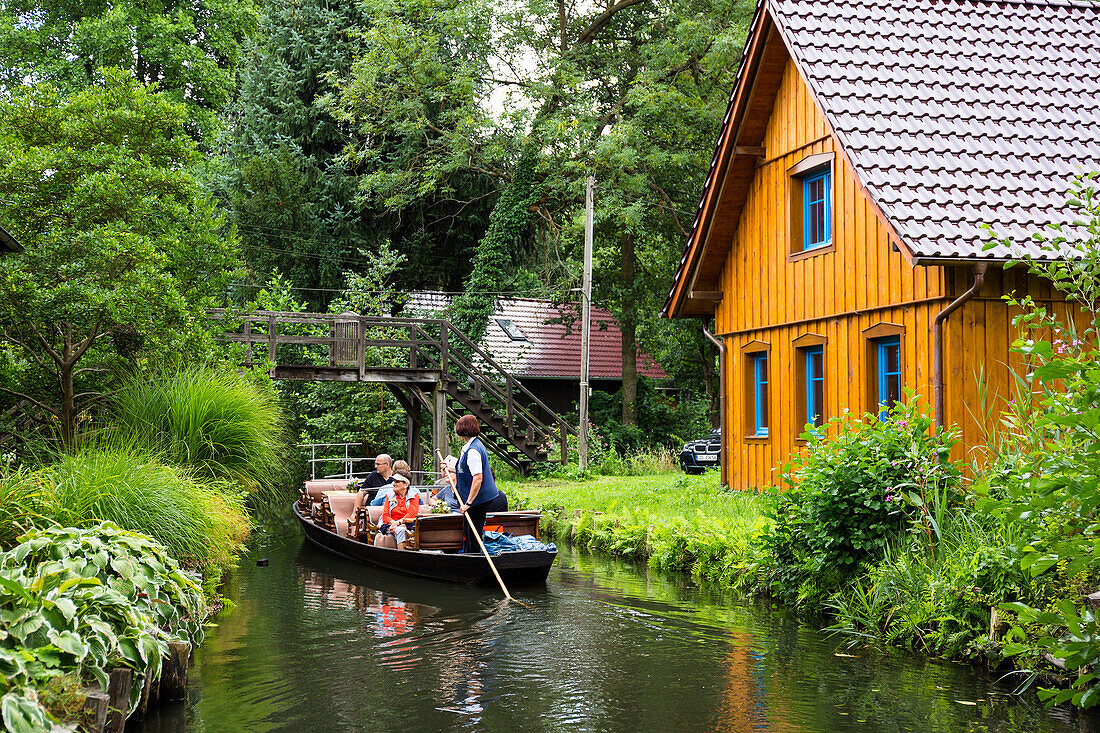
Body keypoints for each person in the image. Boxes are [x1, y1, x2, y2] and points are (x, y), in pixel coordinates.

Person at [453, 415, 501, 553]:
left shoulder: (473, 450)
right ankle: (469, 556)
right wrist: (449, 467)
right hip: (474, 499)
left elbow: (478, 478)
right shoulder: (470, 446)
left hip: (478, 499)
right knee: (467, 532)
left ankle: (473, 558)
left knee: (473, 533)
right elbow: (465, 468)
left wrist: (468, 503)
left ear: (463, 428)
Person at [374, 473, 419, 550]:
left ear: (406, 484)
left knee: (401, 530)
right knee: (401, 530)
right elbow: (385, 516)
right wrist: (395, 524)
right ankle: (403, 557)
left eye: (397, 482)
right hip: (390, 525)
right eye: (394, 481)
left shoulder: (414, 496)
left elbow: (411, 514)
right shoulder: (389, 495)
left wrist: (399, 523)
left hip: (408, 524)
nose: (393, 484)